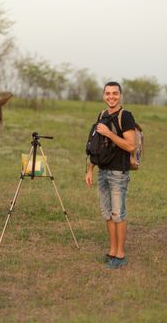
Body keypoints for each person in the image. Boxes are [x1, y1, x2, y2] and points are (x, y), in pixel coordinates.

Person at [85, 81, 136, 269]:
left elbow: (131, 146)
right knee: (107, 214)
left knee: (118, 214)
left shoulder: (126, 116)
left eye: (115, 93)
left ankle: (121, 255)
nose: (111, 96)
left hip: (118, 172)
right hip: (102, 171)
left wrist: (110, 133)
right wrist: (90, 169)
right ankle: (112, 251)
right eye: (108, 93)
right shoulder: (102, 115)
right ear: (103, 95)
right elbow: (96, 146)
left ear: (120, 95)